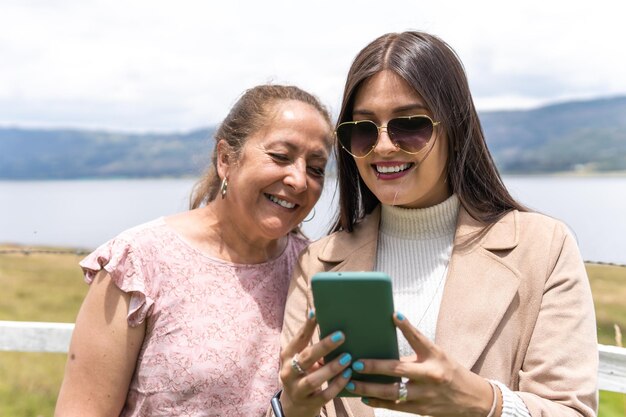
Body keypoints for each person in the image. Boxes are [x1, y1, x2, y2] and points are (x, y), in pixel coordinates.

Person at [273, 31, 598, 417]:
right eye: (361, 131)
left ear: (455, 129)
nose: (383, 146)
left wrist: (484, 402)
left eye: (409, 126)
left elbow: (571, 409)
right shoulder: (318, 264)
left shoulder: (543, 248)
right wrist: (293, 406)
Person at [55, 84, 334, 416]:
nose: (299, 180)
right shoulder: (137, 264)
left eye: (316, 168)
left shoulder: (313, 270)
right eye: (280, 157)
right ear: (226, 159)